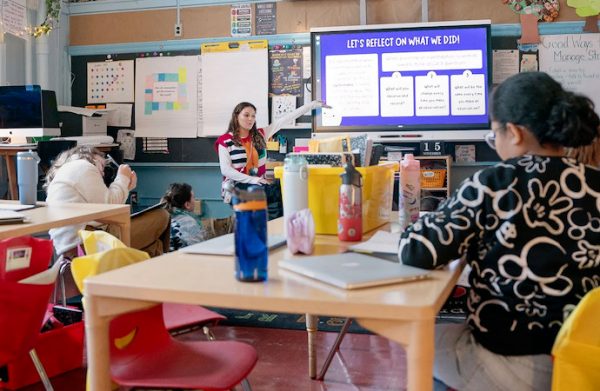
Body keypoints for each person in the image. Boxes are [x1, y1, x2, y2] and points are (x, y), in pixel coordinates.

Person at [398, 72, 600, 390]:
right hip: (587, 364)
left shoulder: (492, 183)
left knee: (424, 343)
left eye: (495, 135)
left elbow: (416, 252)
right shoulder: (595, 181)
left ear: (515, 133)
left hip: (513, 362)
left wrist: (421, 223)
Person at [44, 145, 170, 259]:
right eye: (103, 165)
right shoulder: (83, 166)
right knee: (162, 216)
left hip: (74, 244)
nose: (103, 173)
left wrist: (126, 186)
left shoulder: (67, 172)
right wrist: (123, 177)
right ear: (92, 157)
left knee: (153, 245)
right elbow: (108, 206)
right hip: (85, 243)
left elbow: (109, 209)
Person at [215, 100, 325, 203]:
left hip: (259, 184)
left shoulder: (260, 135)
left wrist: (312, 105)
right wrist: (253, 180)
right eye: (246, 115)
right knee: (272, 198)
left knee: (284, 189)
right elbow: (226, 170)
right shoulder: (225, 141)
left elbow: (286, 119)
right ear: (236, 116)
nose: (250, 119)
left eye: (253, 116)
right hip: (236, 187)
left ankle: (277, 222)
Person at [162, 182, 211, 251]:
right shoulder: (190, 223)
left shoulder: (162, 218)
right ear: (187, 204)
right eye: (193, 197)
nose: (195, 200)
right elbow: (199, 250)